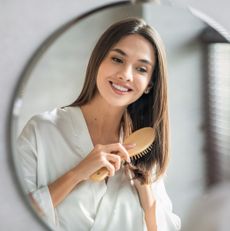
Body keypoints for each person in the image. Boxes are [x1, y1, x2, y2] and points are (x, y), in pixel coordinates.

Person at [17, 17, 181, 231]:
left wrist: (147, 193)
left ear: (150, 84)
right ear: (98, 61)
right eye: (117, 59)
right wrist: (77, 174)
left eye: (141, 69)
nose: (125, 75)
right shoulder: (42, 130)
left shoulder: (142, 151)